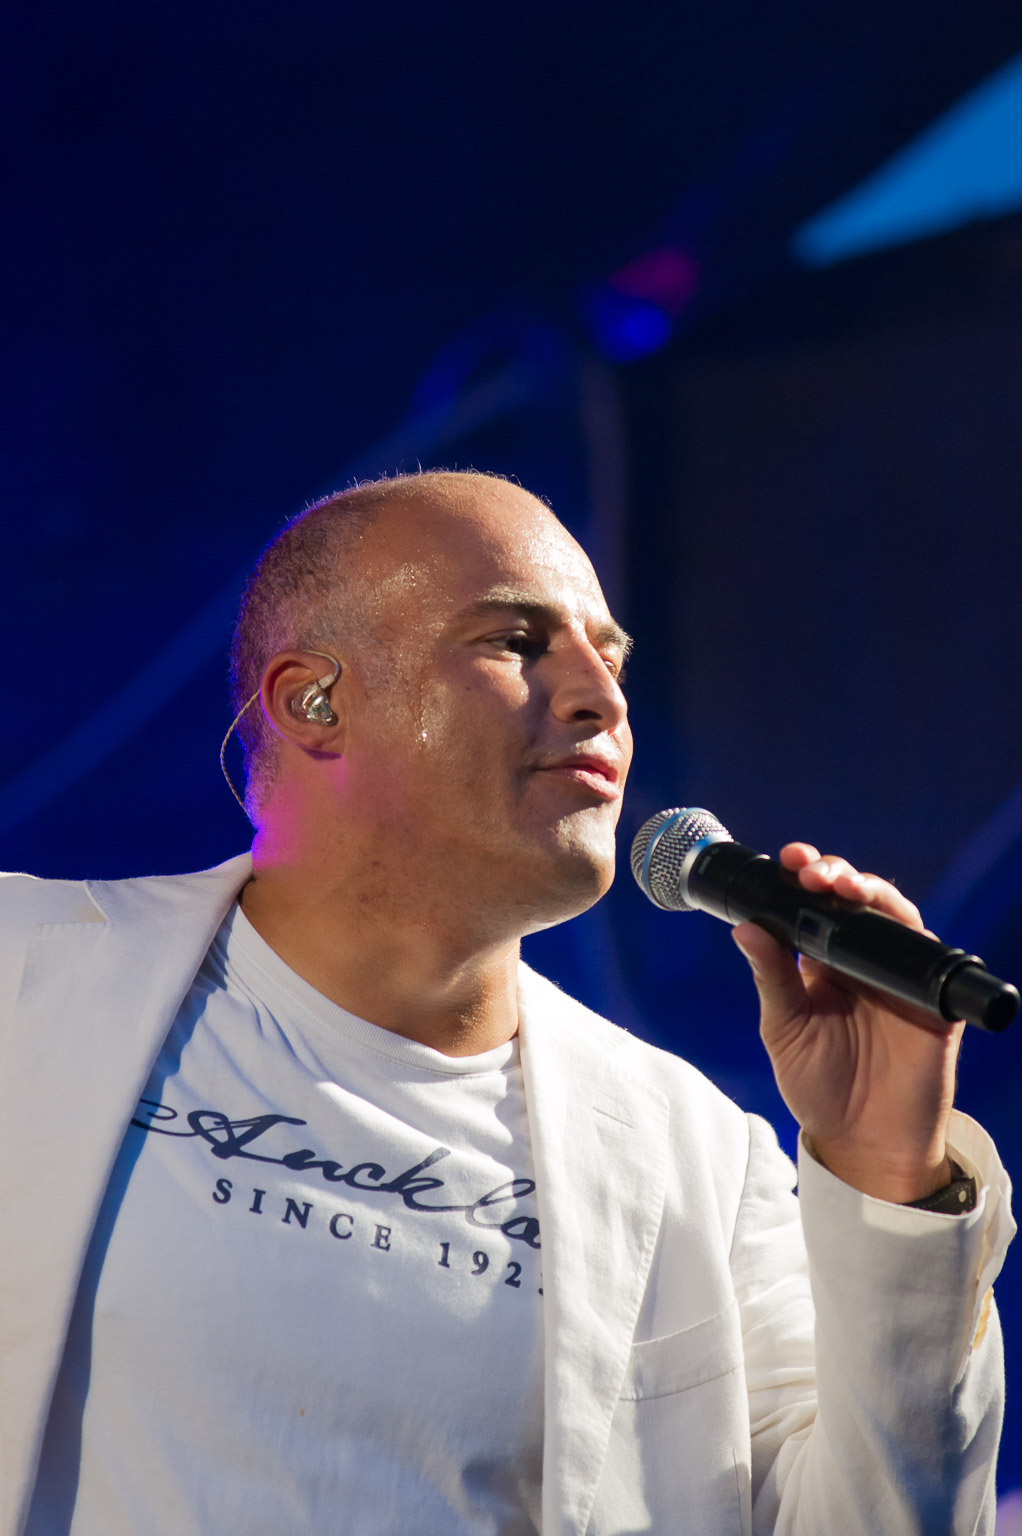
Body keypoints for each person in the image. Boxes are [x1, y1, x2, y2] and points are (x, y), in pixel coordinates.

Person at [0, 469, 1012, 1535]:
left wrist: (887, 1175)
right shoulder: (29, 979)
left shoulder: (701, 1166)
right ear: (312, 701)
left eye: (610, 657)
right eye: (516, 642)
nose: (600, 698)